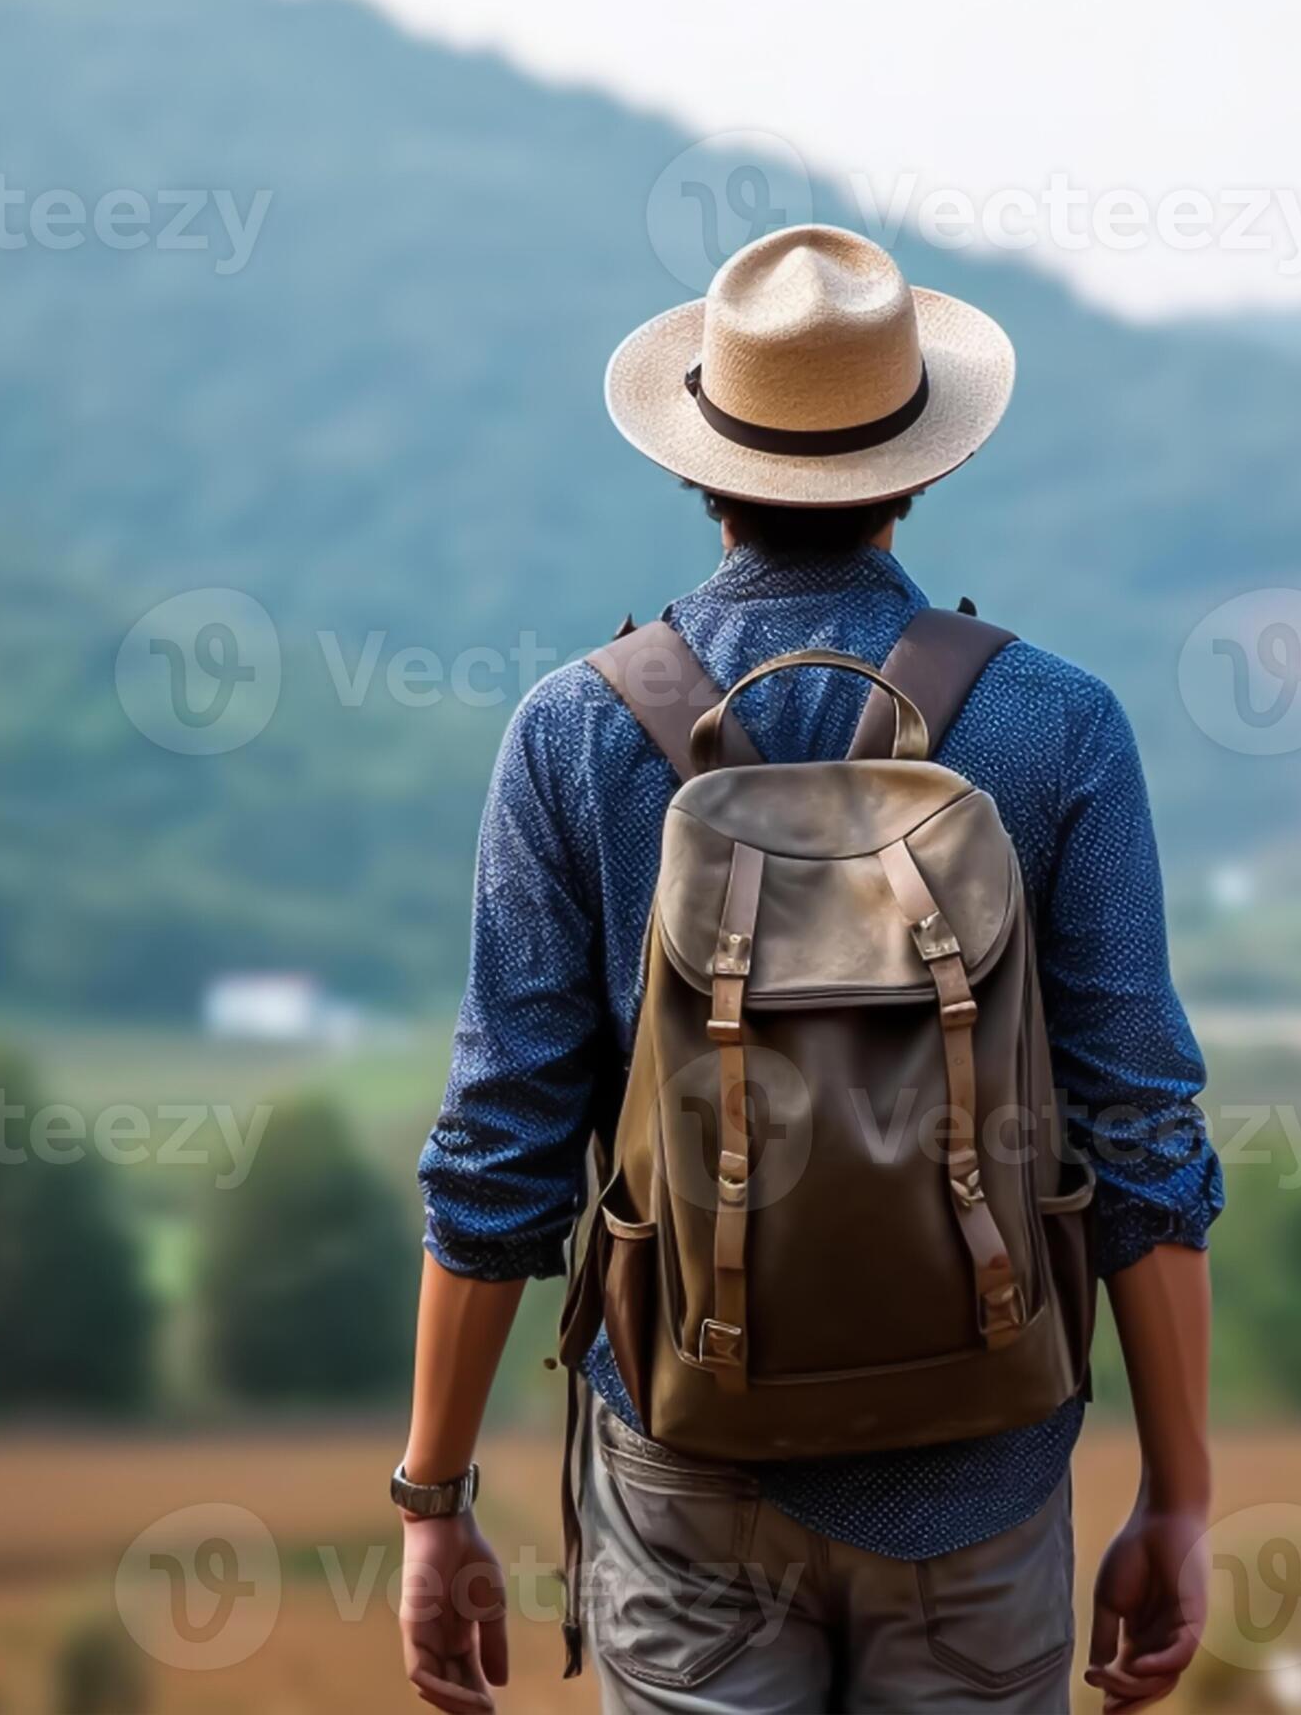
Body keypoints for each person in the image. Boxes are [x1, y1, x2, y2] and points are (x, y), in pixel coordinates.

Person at [397, 224, 1224, 1714]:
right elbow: (1144, 1137)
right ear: (922, 466)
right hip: (982, 1461)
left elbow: (498, 1154)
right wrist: (1179, 1496)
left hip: (687, 1451)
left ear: (695, 462)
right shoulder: (1058, 726)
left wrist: (432, 1500)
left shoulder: (572, 733)